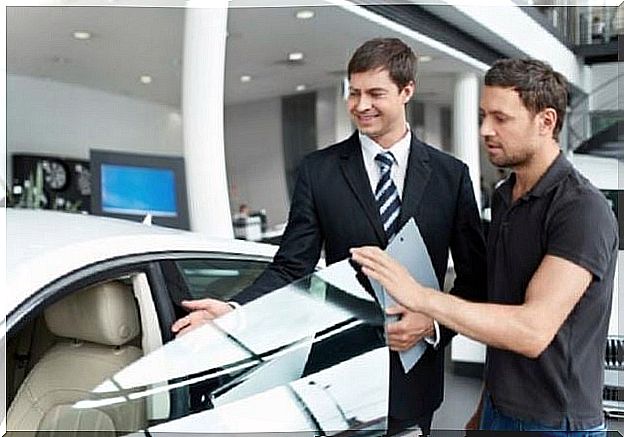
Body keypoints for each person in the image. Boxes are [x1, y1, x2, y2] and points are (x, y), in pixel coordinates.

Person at [172, 37, 487, 435]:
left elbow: (476, 279)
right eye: (353, 93)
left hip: (415, 373)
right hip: (338, 371)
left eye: (375, 93)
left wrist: (433, 322)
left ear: (407, 91)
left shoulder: (451, 175)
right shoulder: (318, 171)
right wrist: (237, 311)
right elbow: (291, 266)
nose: (360, 105)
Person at [351, 59, 619, 435]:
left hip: (557, 424)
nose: (484, 130)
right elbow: (501, 313)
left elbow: (530, 330)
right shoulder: (506, 197)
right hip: (498, 411)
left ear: (546, 122)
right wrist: (484, 408)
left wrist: (422, 298)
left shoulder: (581, 209)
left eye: (500, 118)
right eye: (482, 116)